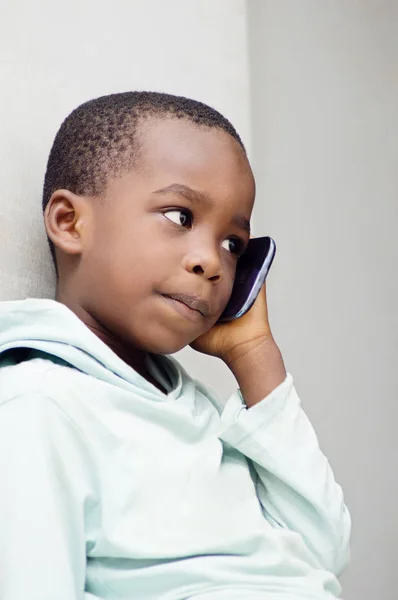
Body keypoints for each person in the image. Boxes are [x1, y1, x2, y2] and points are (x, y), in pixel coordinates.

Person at [0, 92, 351, 600]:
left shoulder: (191, 407)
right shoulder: (40, 407)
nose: (210, 260)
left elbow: (322, 550)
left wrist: (254, 352)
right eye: (179, 217)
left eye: (233, 244)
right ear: (70, 222)